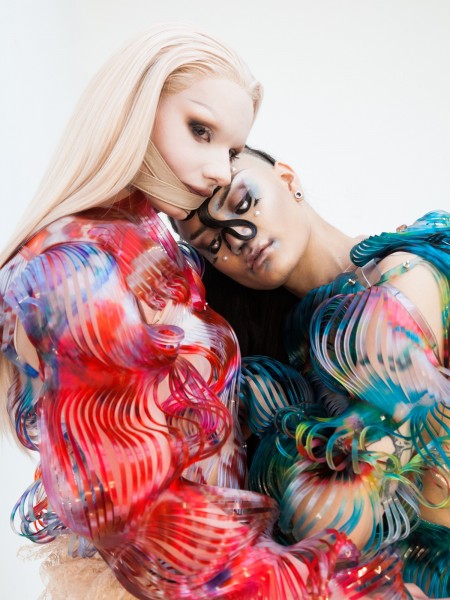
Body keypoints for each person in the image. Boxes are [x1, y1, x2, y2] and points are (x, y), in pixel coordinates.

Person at [0, 24, 403, 600]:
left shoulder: (154, 245)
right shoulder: (72, 268)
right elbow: (137, 514)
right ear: (135, 108)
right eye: (200, 130)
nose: (218, 169)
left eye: (232, 151)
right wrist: (331, 587)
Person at [174, 146, 450, 599]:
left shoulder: (406, 273)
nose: (238, 238)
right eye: (214, 245)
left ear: (287, 178)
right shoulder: (282, 365)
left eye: (242, 201)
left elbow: (344, 511)